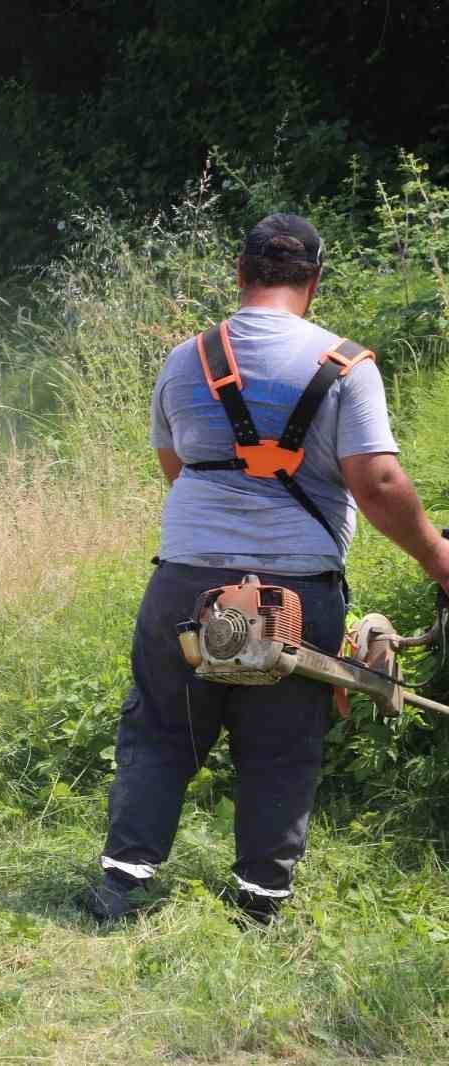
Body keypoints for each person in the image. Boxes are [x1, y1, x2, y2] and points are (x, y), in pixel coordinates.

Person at [82, 214, 449, 926]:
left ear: (240, 272)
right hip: (297, 590)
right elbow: (376, 484)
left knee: (161, 728)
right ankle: (259, 905)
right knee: (281, 743)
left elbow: (175, 467)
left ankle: (120, 888)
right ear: (313, 282)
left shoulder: (187, 359)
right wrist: (440, 560)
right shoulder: (345, 366)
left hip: (185, 579)